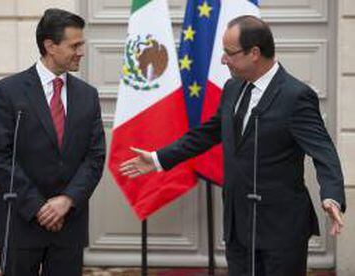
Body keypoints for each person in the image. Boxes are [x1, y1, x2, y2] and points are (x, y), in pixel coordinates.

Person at [120, 15, 345, 276]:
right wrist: (159, 159)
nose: (223, 60)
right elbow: (208, 133)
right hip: (239, 224)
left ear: (254, 54)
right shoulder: (233, 87)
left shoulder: (296, 96)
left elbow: (323, 151)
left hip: (280, 228)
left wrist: (331, 196)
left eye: (229, 53)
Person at [0, 8, 106, 276]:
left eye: (81, 44)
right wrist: (39, 207)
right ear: (50, 46)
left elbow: (95, 157)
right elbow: (0, 157)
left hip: (69, 224)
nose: (82, 51)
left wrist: (67, 200)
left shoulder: (88, 95)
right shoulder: (8, 91)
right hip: (20, 220)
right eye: (75, 45)